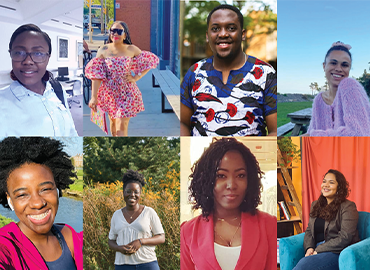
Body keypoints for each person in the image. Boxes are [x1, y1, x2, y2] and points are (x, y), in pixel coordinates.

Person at [180, 4, 277, 136]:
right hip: (203, 155)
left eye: (231, 28)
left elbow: (274, 131)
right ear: (208, 36)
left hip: (249, 155)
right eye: (215, 29)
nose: (223, 34)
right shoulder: (194, 73)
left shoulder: (265, 73)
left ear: (243, 34)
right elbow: (182, 123)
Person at [181, 138, 276, 269]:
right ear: (206, 179)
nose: (231, 185)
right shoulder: (188, 231)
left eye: (240, 175)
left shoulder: (269, 224)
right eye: (221, 175)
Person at [0, 137, 83, 270]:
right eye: (22, 195)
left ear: (57, 189)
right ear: (10, 200)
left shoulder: (69, 236)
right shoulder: (5, 246)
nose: (38, 203)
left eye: (45, 189)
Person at [0, 24, 77, 136]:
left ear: (48, 58)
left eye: (38, 53)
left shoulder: (57, 89)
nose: (28, 61)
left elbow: (71, 132)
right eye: (19, 53)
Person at [85, 21, 159, 137]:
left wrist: (136, 77)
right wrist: (94, 97)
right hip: (109, 93)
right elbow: (96, 75)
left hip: (127, 92)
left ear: (125, 35)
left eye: (119, 31)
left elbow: (150, 61)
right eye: (113, 31)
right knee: (113, 125)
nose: (115, 34)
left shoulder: (132, 49)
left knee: (121, 125)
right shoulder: (103, 50)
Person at [293, 169, 359, 270]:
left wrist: (319, 249)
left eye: (331, 182)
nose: (326, 185)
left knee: (303, 266)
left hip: (337, 251)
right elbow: (309, 230)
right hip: (316, 248)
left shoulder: (348, 207)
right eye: (324, 181)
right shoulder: (315, 205)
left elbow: (345, 237)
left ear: (339, 187)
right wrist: (309, 248)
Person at [307, 41, 370, 136]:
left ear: (349, 68)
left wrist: (315, 136)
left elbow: (359, 135)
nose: (339, 69)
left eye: (344, 65)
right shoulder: (319, 100)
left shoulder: (350, 86)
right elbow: (310, 131)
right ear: (324, 66)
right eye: (333, 63)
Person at [108, 170, 165, 269]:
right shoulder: (116, 215)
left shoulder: (149, 212)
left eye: (136, 192)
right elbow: (111, 241)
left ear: (140, 193)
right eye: (128, 191)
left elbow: (161, 237)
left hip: (147, 264)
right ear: (123, 192)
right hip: (123, 265)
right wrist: (119, 248)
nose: (132, 195)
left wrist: (141, 241)